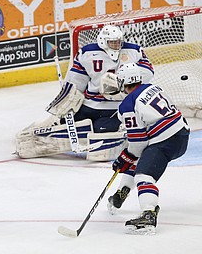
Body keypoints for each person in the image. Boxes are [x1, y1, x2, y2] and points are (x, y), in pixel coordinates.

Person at [15, 25, 154, 160]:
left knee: (101, 130)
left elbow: (148, 73)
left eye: (118, 42)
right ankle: (39, 137)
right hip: (90, 105)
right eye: (112, 42)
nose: (116, 45)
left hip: (115, 108)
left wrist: (119, 82)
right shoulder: (87, 53)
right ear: (103, 41)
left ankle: (119, 132)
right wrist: (68, 98)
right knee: (65, 123)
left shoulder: (134, 51)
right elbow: (75, 82)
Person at [107, 63, 189, 235]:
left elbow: (137, 144)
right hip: (181, 133)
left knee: (144, 175)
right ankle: (123, 191)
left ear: (124, 82)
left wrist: (124, 158)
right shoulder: (153, 87)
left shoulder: (127, 105)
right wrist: (129, 157)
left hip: (166, 140)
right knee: (141, 156)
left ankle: (149, 214)